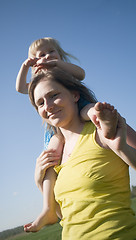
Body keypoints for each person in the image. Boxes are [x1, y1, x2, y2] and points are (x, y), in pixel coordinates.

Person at [25, 68, 136, 239]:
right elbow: (67, 216)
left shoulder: (102, 129)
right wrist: (38, 181)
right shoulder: (55, 153)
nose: (48, 106)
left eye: (54, 95)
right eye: (40, 103)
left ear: (75, 95)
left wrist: (122, 149)